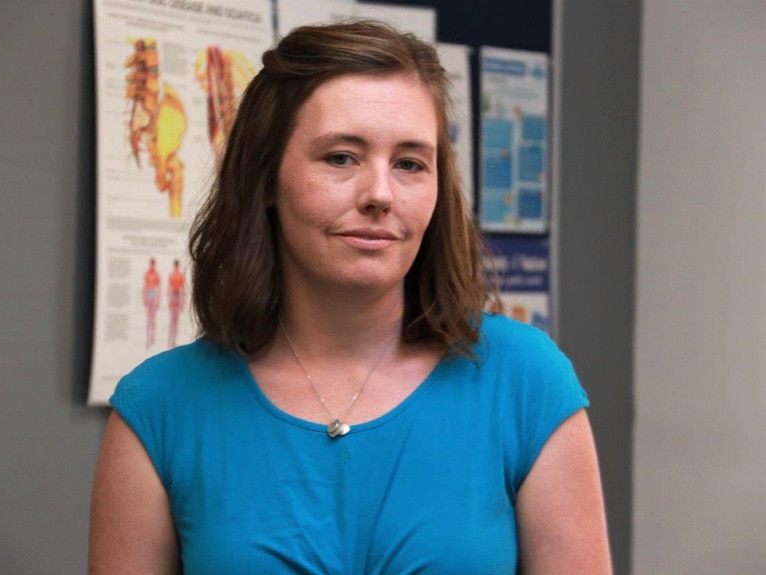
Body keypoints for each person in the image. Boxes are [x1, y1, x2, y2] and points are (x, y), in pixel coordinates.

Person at [90, 20, 611, 574]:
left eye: (410, 163)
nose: (380, 195)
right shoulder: (161, 407)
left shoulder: (525, 381)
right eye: (341, 157)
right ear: (265, 178)